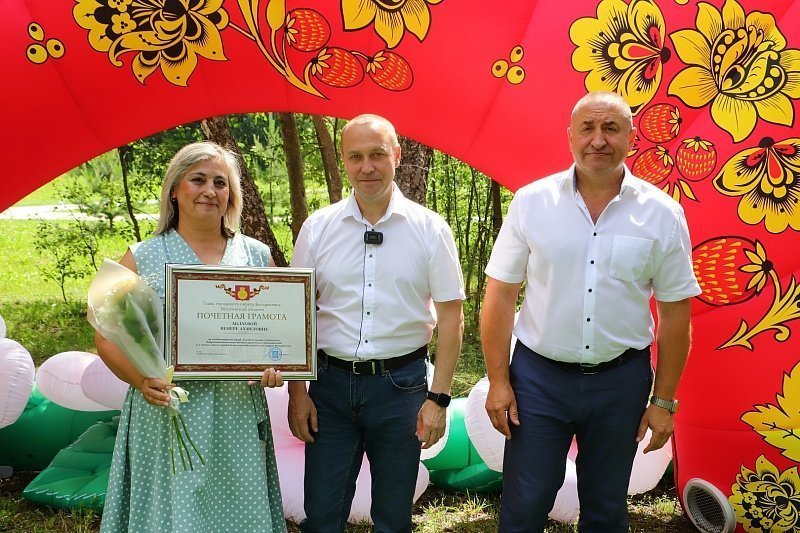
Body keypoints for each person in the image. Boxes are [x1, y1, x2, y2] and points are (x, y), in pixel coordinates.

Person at [481, 92, 701, 532]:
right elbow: (501, 294)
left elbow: (676, 314)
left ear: (631, 138)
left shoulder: (663, 214)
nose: (598, 140)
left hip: (621, 382)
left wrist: (663, 400)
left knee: (606, 505)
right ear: (570, 137)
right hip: (538, 381)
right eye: (588, 128)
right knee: (525, 502)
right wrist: (499, 381)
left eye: (611, 129)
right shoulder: (531, 202)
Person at [96, 141, 287, 532]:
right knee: (173, 514)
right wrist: (142, 380)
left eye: (220, 182)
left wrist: (277, 366)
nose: (209, 191)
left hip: (236, 409)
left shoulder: (255, 256)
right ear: (174, 190)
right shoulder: (141, 257)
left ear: (231, 194)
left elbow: (280, 335)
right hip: (167, 410)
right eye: (198, 180)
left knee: (238, 505)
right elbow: (106, 336)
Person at [288, 114, 465, 532]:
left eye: (377, 155)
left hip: (401, 388)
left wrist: (439, 399)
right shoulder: (318, 229)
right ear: (343, 162)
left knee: (393, 516)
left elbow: (451, 317)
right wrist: (297, 393)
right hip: (329, 388)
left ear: (396, 155)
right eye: (356, 157)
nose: (367, 167)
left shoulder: (430, 230)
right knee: (322, 514)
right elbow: (297, 313)